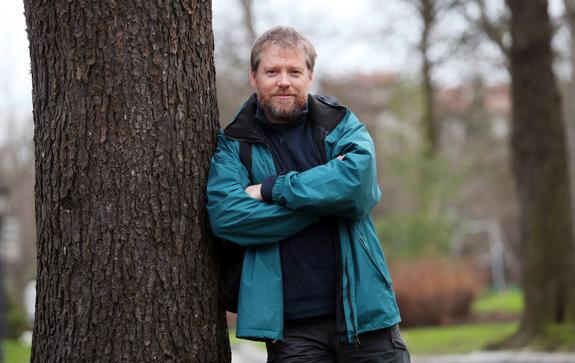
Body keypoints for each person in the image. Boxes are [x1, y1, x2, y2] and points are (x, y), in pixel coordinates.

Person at [207, 26, 410, 363]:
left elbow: (358, 187)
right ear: (253, 77)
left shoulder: (339, 124)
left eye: (294, 71)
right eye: (272, 71)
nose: (283, 81)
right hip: (293, 331)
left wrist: (274, 189)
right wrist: (325, 203)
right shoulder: (235, 144)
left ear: (310, 76)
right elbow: (227, 215)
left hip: (366, 318)